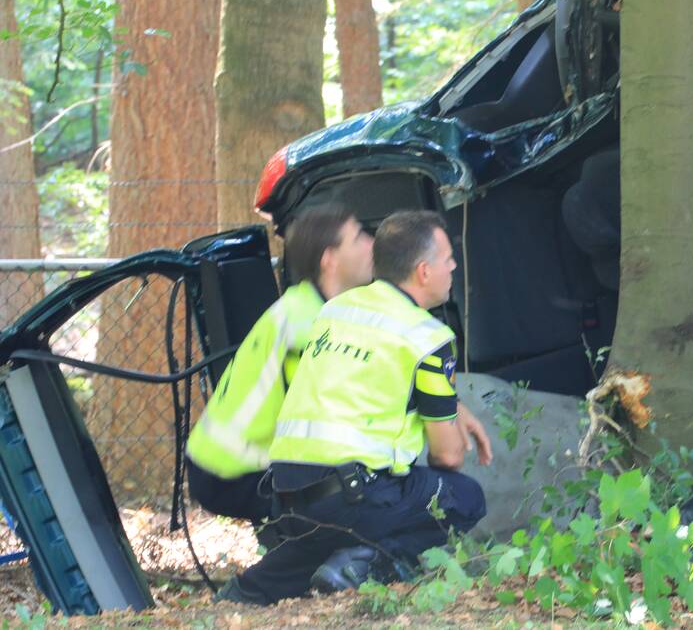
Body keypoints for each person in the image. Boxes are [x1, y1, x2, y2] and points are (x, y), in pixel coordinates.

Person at [216, 210, 492, 605]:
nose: (453, 266)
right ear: (424, 271)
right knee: (464, 497)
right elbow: (447, 456)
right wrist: (444, 417)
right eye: (448, 257)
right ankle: (362, 563)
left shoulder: (337, 310)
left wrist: (451, 404)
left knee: (301, 557)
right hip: (353, 496)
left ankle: (244, 593)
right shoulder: (427, 336)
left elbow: (359, 383)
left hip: (288, 496)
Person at [185, 203, 374, 538]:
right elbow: (328, 422)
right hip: (234, 473)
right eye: (358, 237)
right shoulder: (311, 324)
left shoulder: (304, 305)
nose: (371, 243)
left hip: (217, 462)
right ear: (329, 258)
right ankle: (288, 551)